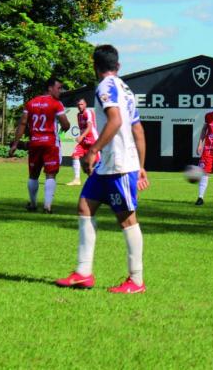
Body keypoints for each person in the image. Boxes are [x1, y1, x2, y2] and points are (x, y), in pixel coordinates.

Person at [56, 44, 150, 294]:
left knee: (127, 219)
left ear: (95, 67)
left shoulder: (105, 86)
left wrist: (92, 150)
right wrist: (142, 166)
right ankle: (83, 273)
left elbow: (116, 120)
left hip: (119, 164)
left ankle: (136, 280)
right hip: (109, 165)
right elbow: (137, 129)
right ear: (117, 66)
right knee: (85, 205)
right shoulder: (127, 90)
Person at [8, 77, 70, 213]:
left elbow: (23, 124)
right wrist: (63, 128)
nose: (60, 91)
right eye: (59, 88)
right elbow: (65, 124)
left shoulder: (31, 103)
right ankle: (47, 206)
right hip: (50, 143)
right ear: (50, 88)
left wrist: (15, 144)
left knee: (33, 175)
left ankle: (33, 203)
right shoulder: (56, 104)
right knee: (51, 174)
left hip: (35, 143)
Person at [66, 98, 99, 186]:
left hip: (92, 139)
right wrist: (82, 137)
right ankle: (77, 179)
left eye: (81, 104)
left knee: (95, 163)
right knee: (75, 155)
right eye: (78, 105)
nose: (79, 106)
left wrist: (81, 136)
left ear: (85, 105)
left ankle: (98, 181)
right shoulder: (78, 115)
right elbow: (82, 128)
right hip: (84, 141)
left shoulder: (88, 112)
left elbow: (89, 127)